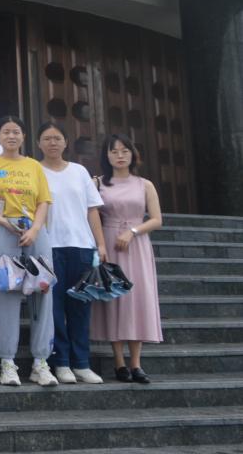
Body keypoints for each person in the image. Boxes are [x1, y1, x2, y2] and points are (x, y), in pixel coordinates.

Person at [0, 116, 57, 387]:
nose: (11, 136)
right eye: (6, 132)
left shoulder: (34, 166)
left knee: (43, 291)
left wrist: (36, 229)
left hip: (35, 231)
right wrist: (3, 222)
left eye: (16, 132)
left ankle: (41, 362)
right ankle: (7, 362)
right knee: (5, 291)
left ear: (23, 136)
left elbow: (43, 202)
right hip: (4, 228)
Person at [39, 122, 107, 385]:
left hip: (81, 246)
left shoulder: (79, 171)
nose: (52, 143)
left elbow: (92, 210)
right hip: (50, 247)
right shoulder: (35, 170)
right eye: (47, 138)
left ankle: (82, 364)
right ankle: (61, 363)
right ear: (39, 143)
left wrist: (100, 244)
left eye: (57, 138)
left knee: (80, 307)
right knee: (54, 310)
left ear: (66, 142)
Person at [92, 134, 163, 384]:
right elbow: (91, 214)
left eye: (124, 151)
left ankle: (136, 363)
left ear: (133, 154)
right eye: (114, 151)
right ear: (107, 156)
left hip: (136, 243)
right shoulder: (98, 183)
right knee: (115, 299)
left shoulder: (145, 185)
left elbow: (156, 219)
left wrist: (133, 231)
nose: (119, 156)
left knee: (137, 298)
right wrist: (100, 244)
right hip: (109, 242)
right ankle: (119, 362)